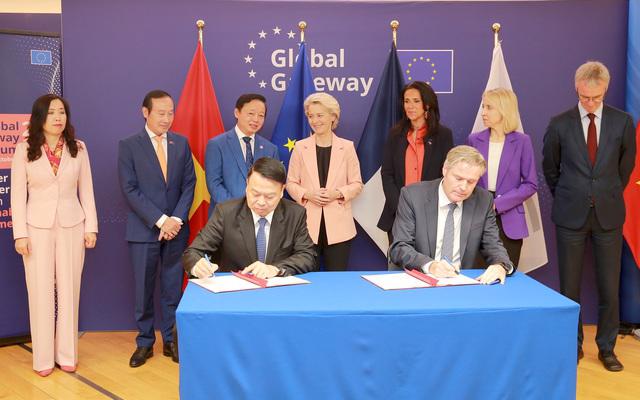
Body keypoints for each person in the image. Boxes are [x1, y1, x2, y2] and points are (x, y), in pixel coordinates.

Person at [542, 61, 636, 371]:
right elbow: (550, 169)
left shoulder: (623, 123)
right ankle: (573, 344)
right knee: (569, 285)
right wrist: (573, 194)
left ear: (605, 90)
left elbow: (625, 168)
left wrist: (604, 193)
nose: (590, 103)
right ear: (577, 90)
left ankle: (607, 348)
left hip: (609, 214)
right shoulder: (559, 123)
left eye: (595, 97)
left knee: (609, 285)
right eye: (585, 97)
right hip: (570, 214)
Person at [11, 94, 98, 377]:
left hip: (73, 225)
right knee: (40, 292)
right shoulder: (24, 149)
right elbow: (16, 196)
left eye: (62, 112)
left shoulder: (78, 148)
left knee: (70, 290)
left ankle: (67, 354)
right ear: (40, 118)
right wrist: (20, 234)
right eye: (51, 113)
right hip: (36, 228)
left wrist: (91, 227)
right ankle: (44, 359)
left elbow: (86, 190)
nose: (58, 117)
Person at [118, 90, 196, 368]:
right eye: (161, 113)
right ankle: (144, 343)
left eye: (170, 112)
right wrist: (161, 221)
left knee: (173, 289)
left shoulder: (181, 143)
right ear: (145, 112)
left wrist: (175, 219)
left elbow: (189, 184)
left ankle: (171, 341)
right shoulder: (129, 145)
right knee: (143, 290)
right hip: (144, 231)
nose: (167, 118)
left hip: (176, 231)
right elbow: (129, 189)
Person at [389, 145, 514, 284]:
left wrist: (500, 265)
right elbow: (399, 247)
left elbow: (493, 244)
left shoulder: (483, 200)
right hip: (418, 280)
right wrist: (431, 265)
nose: (463, 187)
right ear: (445, 170)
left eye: (471, 182)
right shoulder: (413, 195)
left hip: (460, 283)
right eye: (458, 178)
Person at [183, 157, 316, 279]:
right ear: (247, 185)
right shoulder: (226, 212)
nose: (261, 202)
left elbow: (307, 256)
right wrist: (197, 265)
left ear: (282, 191)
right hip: (235, 294)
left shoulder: (295, 214)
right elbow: (193, 252)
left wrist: (275, 269)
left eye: (269, 197)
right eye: (255, 194)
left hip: (277, 292)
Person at [286, 93, 363, 271]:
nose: (315, 120)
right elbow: (290, 183)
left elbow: (357, 184)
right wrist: (307, 194)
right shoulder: (300, 147)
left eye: (320, 115)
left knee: (336, 281)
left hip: (339, 228)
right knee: (307, 280)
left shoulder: (347, 147)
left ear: (333, 116)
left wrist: (337, 193)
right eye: (311, 116)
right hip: (306, 227)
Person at [467, 88, 538, 267]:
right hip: (478, 218)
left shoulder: (522, 141)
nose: (483, 112)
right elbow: (467, 178)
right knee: (476, 279)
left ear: (504, 109)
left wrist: (498, 204)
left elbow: (530, 184)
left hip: (510, 221)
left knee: (506, 276)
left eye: (489, 107)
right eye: (483, 107)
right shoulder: (474, 140)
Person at [378, 81, 453, 243]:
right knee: (398, 266)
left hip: (431, 215)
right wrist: (400, 207)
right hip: (397, 215)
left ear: (427, 104)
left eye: (416, 101)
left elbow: (446, 175)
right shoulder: (395, 134)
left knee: (427, 267)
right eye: (406, 101)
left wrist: (426, 208)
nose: (410, 106)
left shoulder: (443, 135)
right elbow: (387, 174)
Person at [205, 93, 279, 216]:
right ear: (237, 113)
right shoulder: (217, 144)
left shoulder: (270, 149)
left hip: (261, 216)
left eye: (261, 115)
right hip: (226, 216)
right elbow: (214, 184)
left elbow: (275, 183)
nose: (256, 119)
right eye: (251, 113)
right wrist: (238, 209)